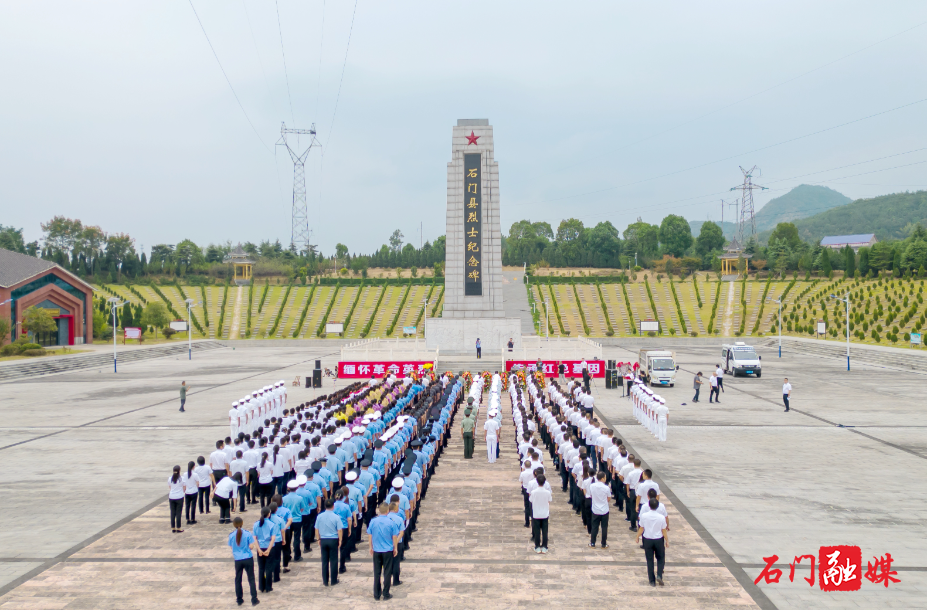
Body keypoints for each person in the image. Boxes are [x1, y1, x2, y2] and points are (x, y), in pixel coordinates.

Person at [368, 503, 401, 600]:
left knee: (377, 572)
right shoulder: (391, 522)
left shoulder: (373, 521)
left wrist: (370, 547)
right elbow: (394, 536)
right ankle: (386, 593)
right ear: (387, 511)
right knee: (387, 572)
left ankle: (377, 594)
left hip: (377, 550)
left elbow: (370, 535)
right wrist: (395, 548)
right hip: (387, 550)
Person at [229, 517, 260, 606]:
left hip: (238, 559)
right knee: (251, 578)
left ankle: (239, 599)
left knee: (238, 579)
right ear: (242, 523)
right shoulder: (247, 534)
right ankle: (254, 599)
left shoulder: (231, 535)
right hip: (247, 558)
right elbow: (251, 547)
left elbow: (231, 547)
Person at [637, 498, 668, 587]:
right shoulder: (661, 517)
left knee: (650, 560)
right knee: (661, 558)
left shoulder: (644, 516)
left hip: (647, 539)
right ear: (657, 506)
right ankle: (659, 575)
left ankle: (652, 580)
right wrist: (667, 540)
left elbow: (641, 528)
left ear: (649, 506)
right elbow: (664, 530)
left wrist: (637, 537)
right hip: (658, 539)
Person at [315, 498, 343, 586]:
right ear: (333, 506)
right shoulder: (336, 517)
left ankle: (325, 580)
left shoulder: (319, 516)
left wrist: (318, 539)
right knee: (334, 560)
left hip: (323, 539)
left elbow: (316, 528)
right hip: (333, 539)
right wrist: (340, 540)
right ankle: (334, 580)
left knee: (324, 561)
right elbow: (339, 530)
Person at [252, 507, 279, 593]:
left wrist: (259, 549)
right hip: (269, 547)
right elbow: (273, 539)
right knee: (269, 567)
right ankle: (268, 586)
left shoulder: (256, 524)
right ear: (269, 514)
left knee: (261, 567)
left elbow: (254, 538)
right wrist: (268, 549)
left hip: (260, 547)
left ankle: (261, 586)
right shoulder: (272, 524)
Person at [528, 473, 552, 553]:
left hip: (536, 513)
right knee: (545, 531)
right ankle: (545, 546)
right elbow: (549, 501)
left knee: (537, 531)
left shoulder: (534, 492)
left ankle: (537, 546)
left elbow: (531, 500)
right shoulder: (547, 492)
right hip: (545, 513)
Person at [589, 471, 611, 548]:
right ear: (602, 478)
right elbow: (608, 498)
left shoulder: (592, 486)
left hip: (595, 509)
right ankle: (604, 543)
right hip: (604, 510)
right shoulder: (606, 488)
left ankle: (592, 542)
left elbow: (590, 495)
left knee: (594, 526)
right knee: (604, 527)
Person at [168, 465, 185, 533]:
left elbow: (170, 487)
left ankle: (173, 527)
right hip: (179, 497)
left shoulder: (170, 478)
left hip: (171, 496)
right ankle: (178, 527)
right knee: (178, 512)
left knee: (172, 512)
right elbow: (184, 488)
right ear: (179, 471)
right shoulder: (181, 479)